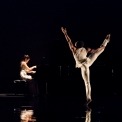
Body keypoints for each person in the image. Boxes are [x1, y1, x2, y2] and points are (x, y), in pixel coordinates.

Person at [61, 27, 110, 105]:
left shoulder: (74, 49)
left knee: (87, 83)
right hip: (88, 61)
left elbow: (69, 41)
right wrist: (103, 45)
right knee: (97, 52)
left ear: (76, 45)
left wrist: (65, 33)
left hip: (84, 65)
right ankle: (106, 41)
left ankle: (89, 98)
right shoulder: (86, 49)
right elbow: (96, 50)